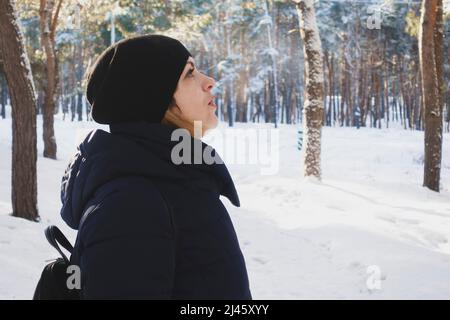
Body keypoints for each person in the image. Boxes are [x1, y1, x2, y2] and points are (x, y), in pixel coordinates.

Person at [60, 34, 252, 299]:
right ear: (153, 97)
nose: (209, 81)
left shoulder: (172, 181)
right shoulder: (133, 204)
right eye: (189, 73)